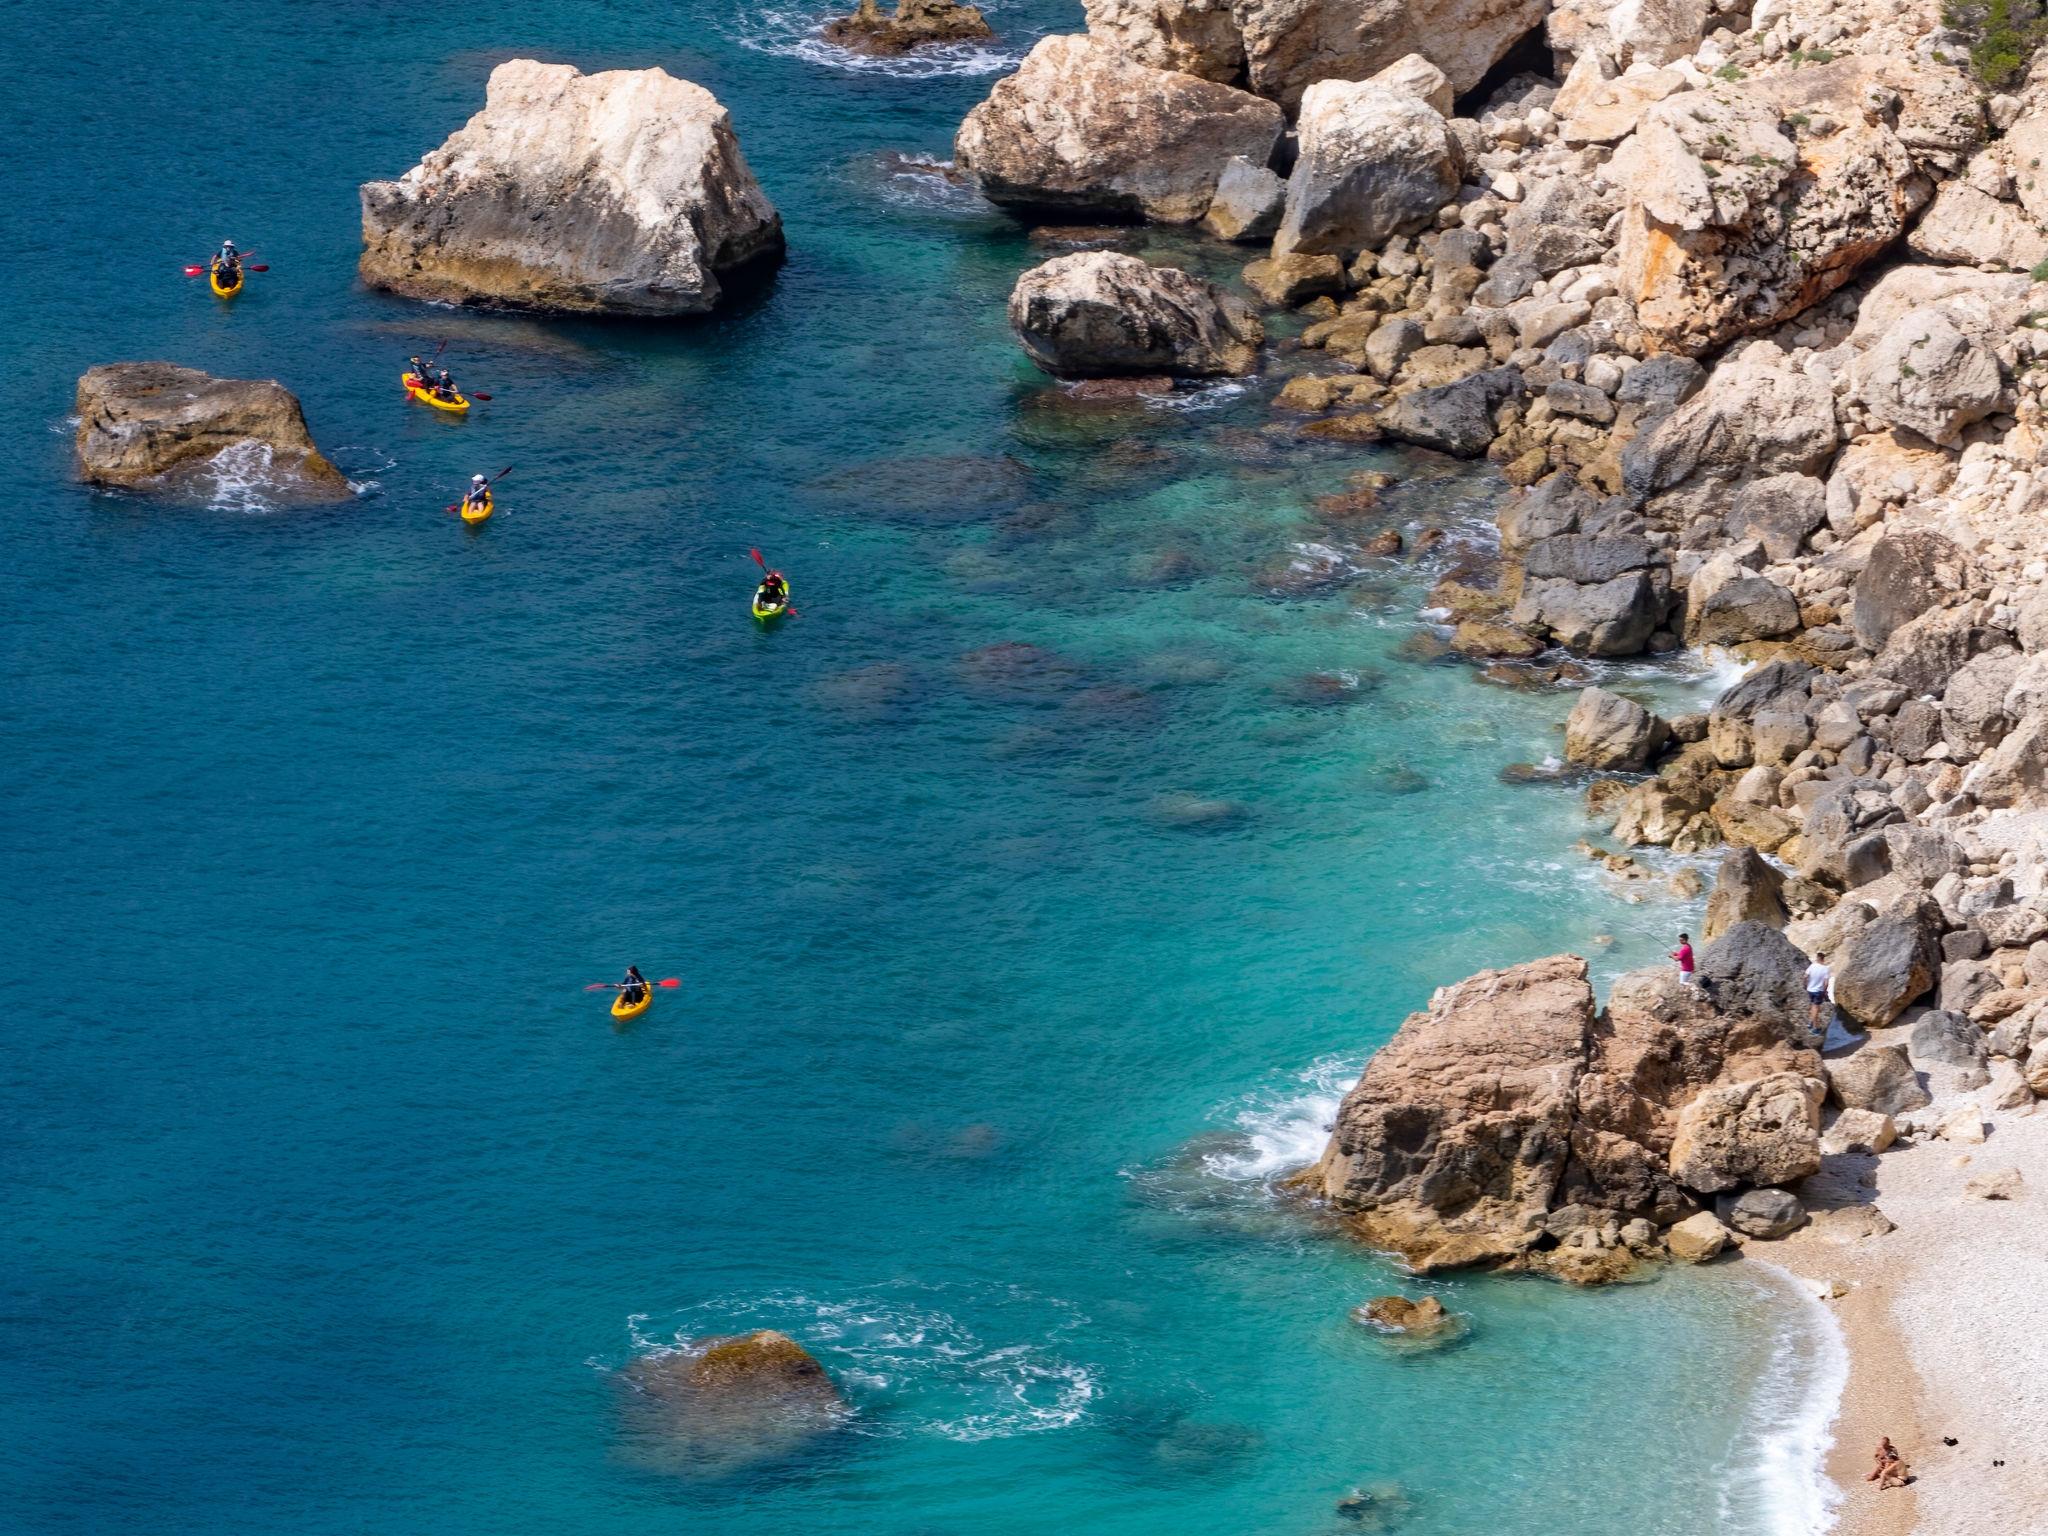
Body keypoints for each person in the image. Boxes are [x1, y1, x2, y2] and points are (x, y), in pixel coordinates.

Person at [1805, 952, 1831, 1035]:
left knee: (1813, 1006)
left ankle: (1810, 1022)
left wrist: (1805, 985)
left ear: (1817, 958)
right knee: (1816, 1008)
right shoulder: (1825, 969)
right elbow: (1826, 983)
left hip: (1810, 990)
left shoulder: (1812, 966)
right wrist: (1824, 991)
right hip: (1818, 991)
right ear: (1823, 959)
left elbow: (1805, 977)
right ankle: (1815, 1028)